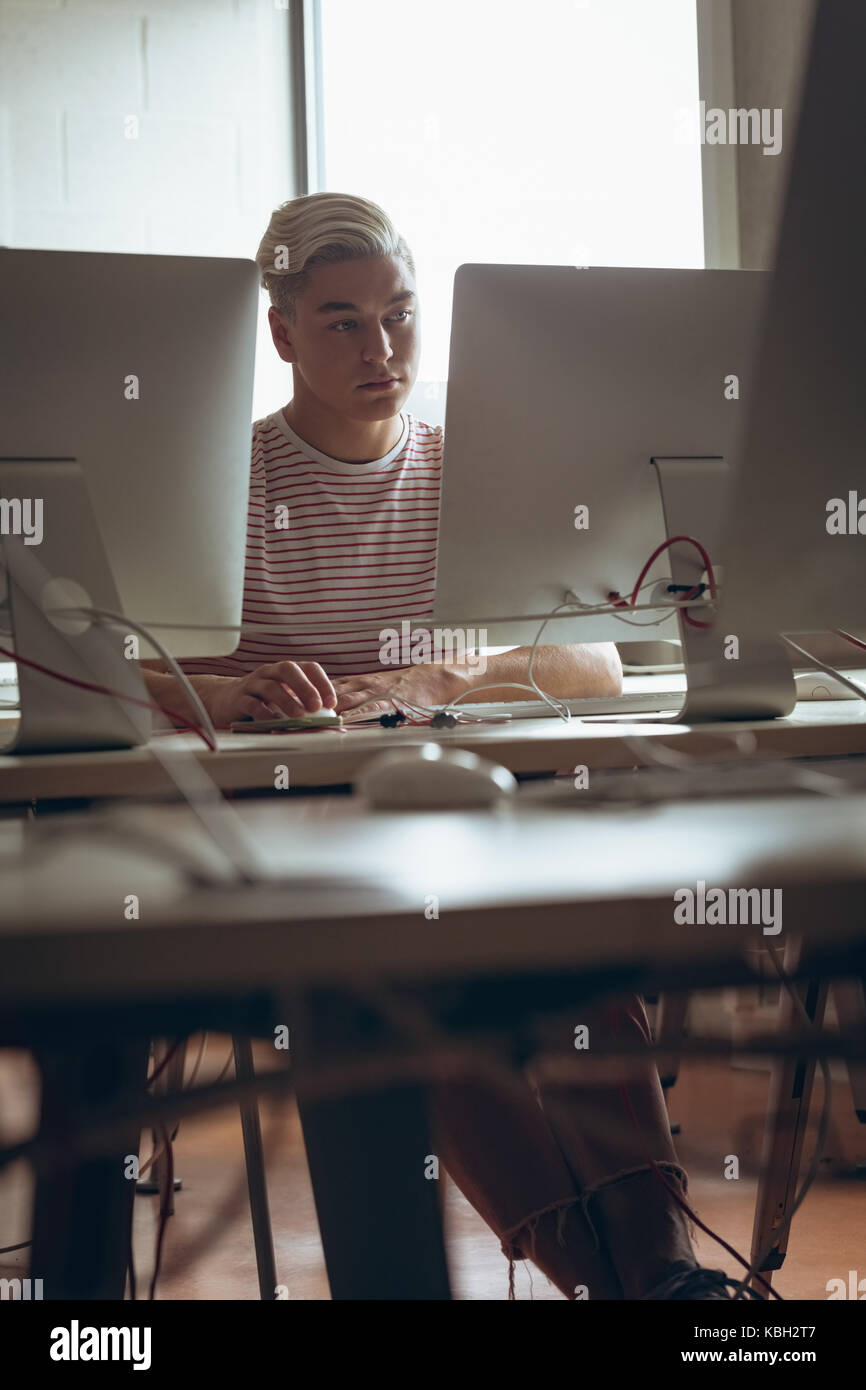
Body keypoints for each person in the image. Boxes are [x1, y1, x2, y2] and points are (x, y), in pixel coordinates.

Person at [141, 192, 737, 1300]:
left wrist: (430, 679)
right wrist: (221, 689)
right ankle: (647, 1291)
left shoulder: (475, 468)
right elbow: (95, 665)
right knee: (402, 992)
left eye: (400, 315)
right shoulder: (220, 479)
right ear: (280, 334)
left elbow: (593, 666)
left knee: (577, 969)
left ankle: (655, 1277)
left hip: (461, 823)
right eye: (341, 322)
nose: (382, 348)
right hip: (286, 846)